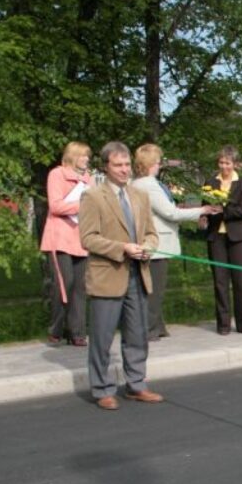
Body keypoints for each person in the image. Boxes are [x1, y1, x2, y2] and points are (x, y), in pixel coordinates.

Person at [79, 141, 162, 410]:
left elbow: (151, 233)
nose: (124, 170)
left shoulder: (139, 196)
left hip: (138, 274)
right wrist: (122, 248)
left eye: (127, 164)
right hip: (108, 276)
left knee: (137, 334)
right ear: (106, 167)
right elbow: (88, 239)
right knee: (102, 337)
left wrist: (148, 247)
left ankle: (136, 385)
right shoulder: (93, 196)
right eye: (118, 165)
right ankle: (102, 388)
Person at [131, 144, 220, 341]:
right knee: (154, 290)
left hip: (154, 242)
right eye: (158, 161)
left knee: (153, 288)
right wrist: (202, 210)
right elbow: (170, 213)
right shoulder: (148, 185)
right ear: (151, 163)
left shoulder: (140, 183)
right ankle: (149, 330)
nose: (160, 164)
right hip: (157, 244)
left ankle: (158, 326)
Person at [40, 142, 93, 347]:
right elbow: (55, 206)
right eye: (82, 156)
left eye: (87, 156)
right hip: (60, 238)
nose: (86, 159)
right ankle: (56, 329)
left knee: (80, 287)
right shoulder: (57, 174)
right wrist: (82, 206)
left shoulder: (88, 179)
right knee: (65, 283)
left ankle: (78, 332)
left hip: (81, 239)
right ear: (72, 156)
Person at [203, 145, 242, 335]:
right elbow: (205, 206)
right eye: (221, 162)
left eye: (227, 163)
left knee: (240, 281)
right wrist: (204, 217)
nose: (224, 166)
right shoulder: (210, 182)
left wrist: (224, 210)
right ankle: (223, 325)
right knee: (220, 281)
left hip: (238, 237)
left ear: (234, 164)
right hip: (216, 237)